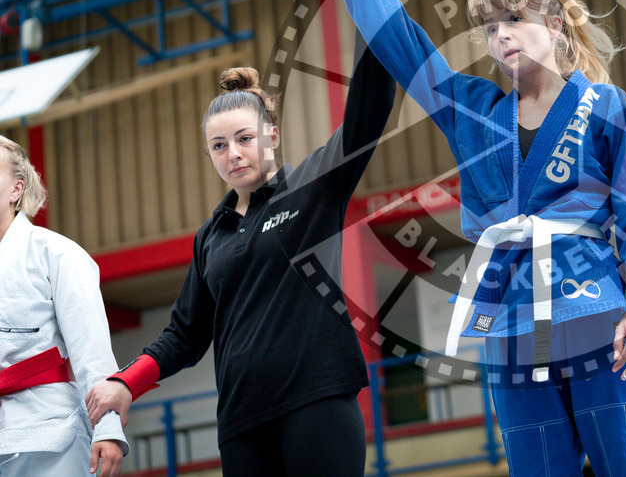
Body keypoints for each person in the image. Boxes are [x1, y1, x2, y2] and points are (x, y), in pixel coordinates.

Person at [335, 0, 626, 477]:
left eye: (514, 19)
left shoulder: (607, 107)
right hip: (511, 323)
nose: (501, 35)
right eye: (491, 28)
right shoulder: (473, 112)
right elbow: (406, 51)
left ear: (557, 25)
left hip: (596, 311)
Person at [84, 36, 395, 477]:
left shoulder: (313, 187)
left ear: (272, 136)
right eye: (218, 145)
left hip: (318, 403)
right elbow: (185, 334)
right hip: (241, 424)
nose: (233, 154)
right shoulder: (211, 236)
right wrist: (126, 383)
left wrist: (373, 17)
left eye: (244, 139)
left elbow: (368, 112)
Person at [0, 136, 127, 477]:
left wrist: (108, 427)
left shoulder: (57, 254)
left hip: (50, 436)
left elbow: (91, 351)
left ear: (16, 190)